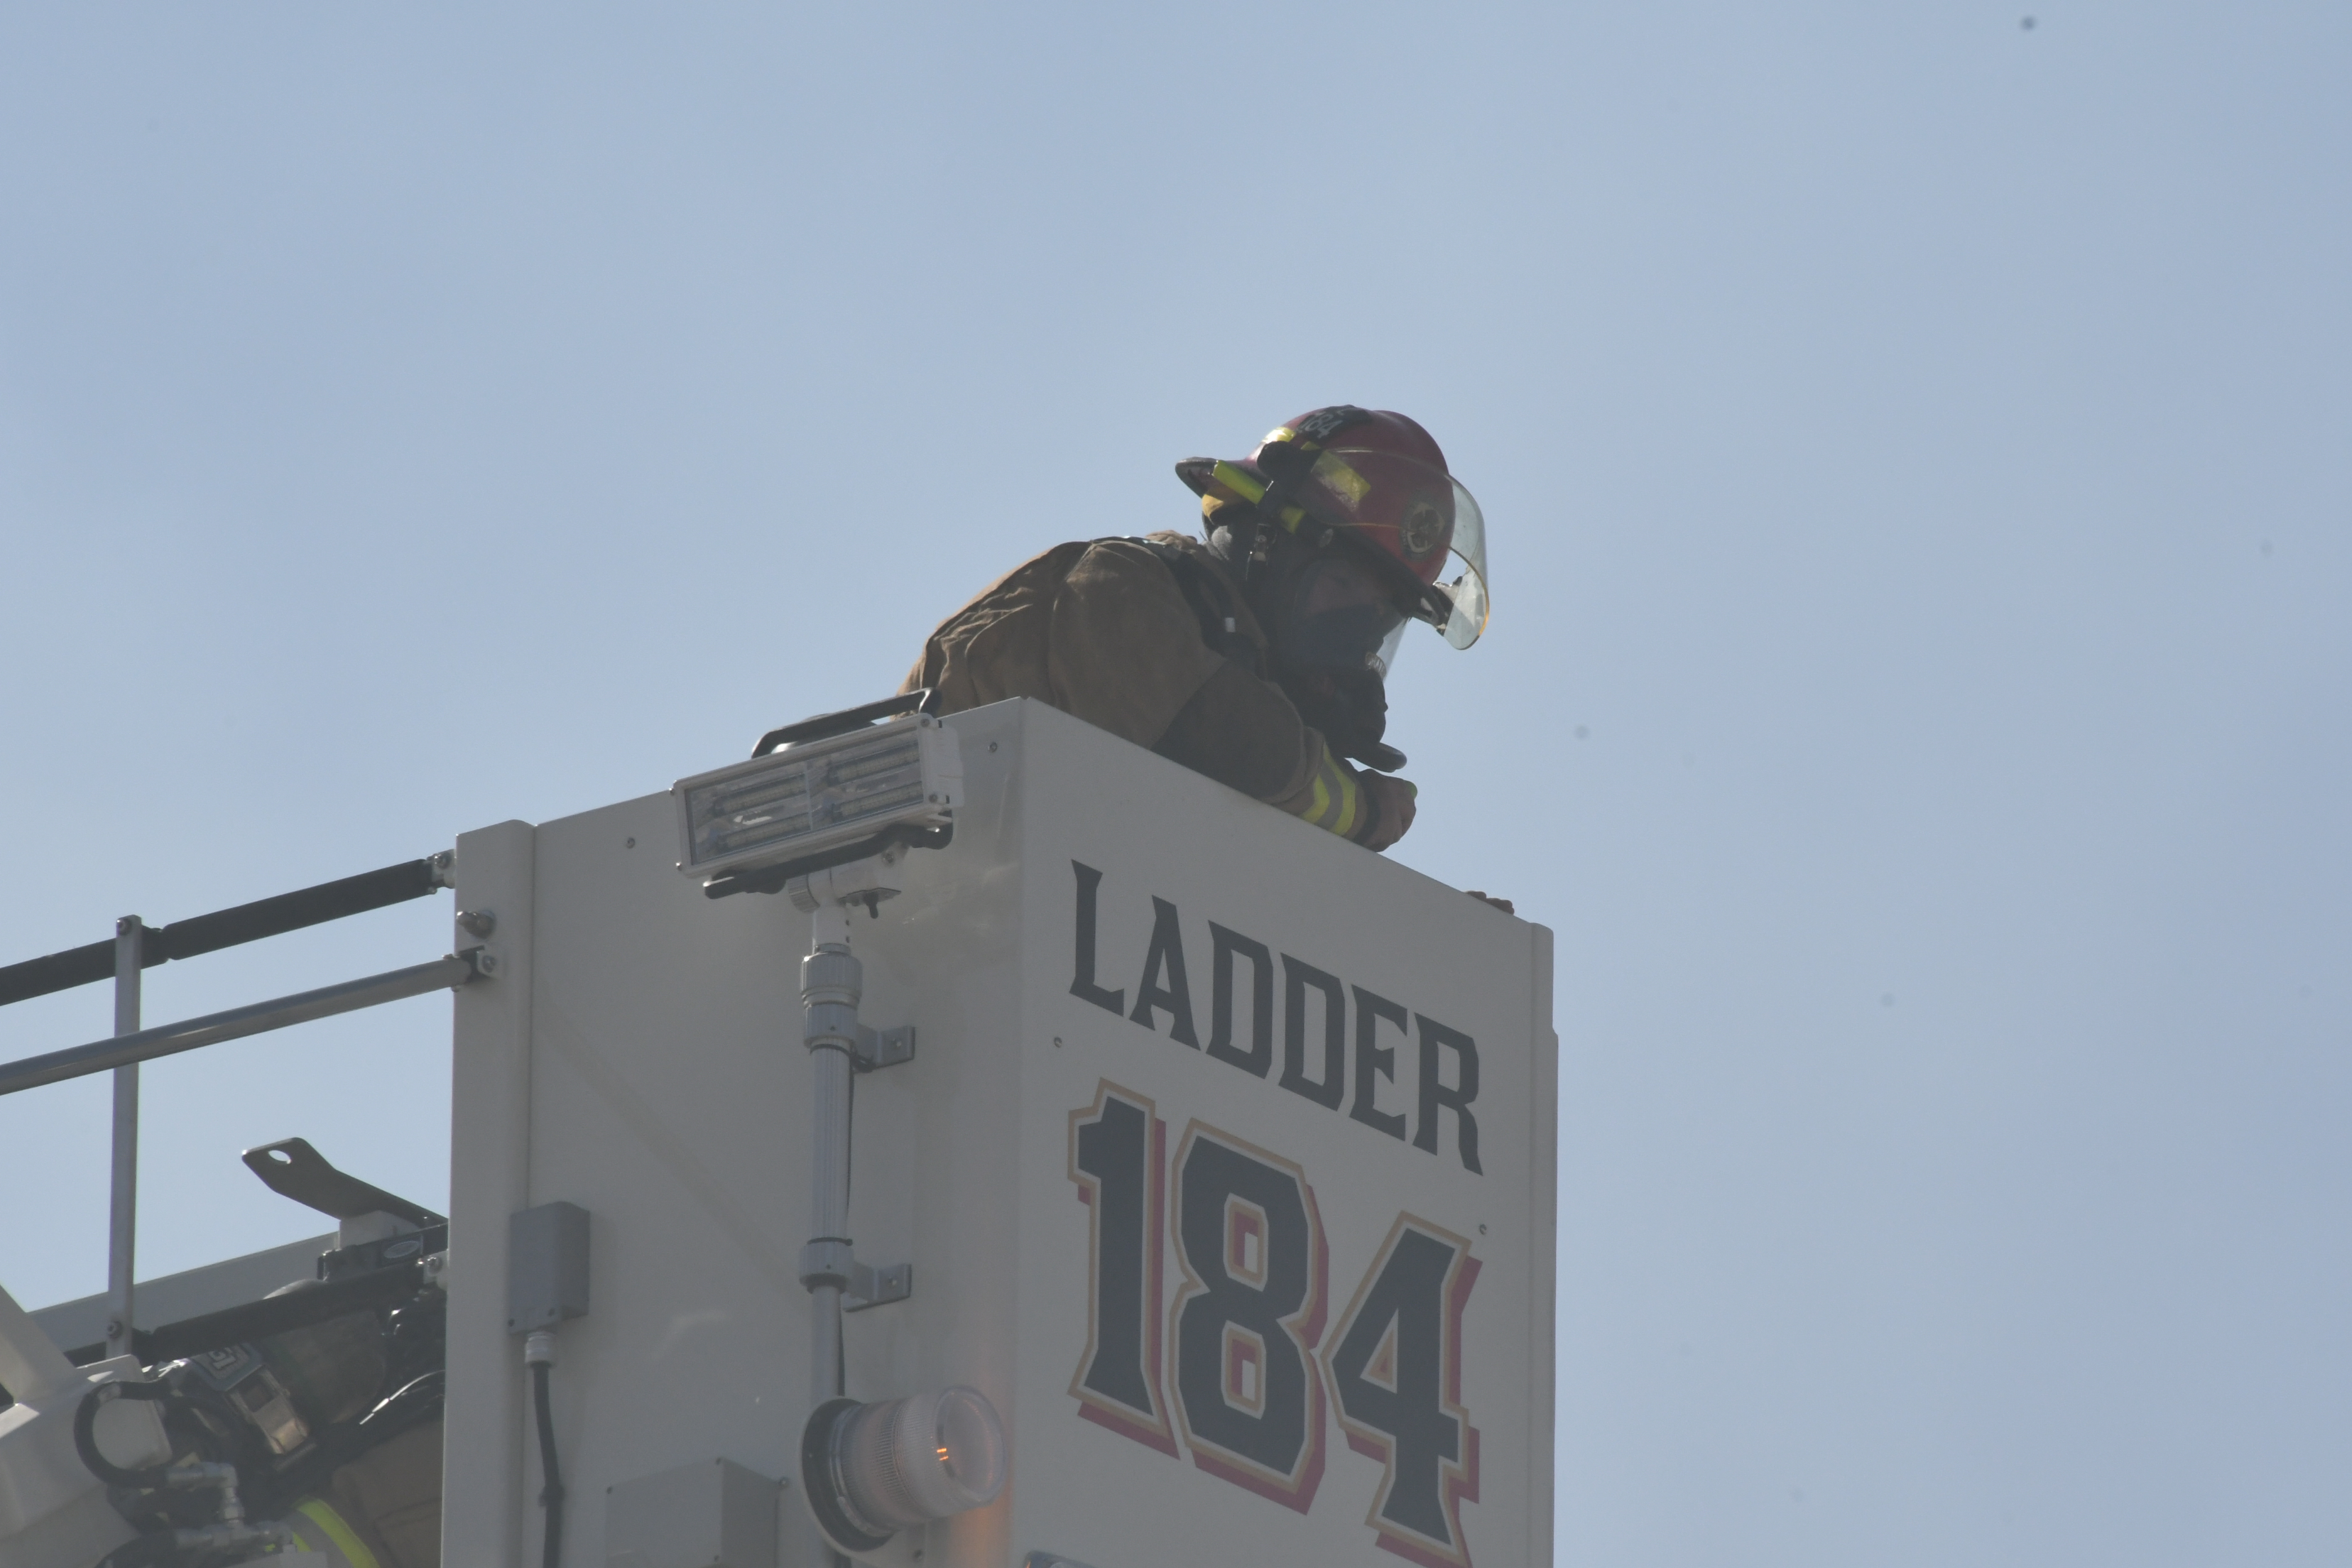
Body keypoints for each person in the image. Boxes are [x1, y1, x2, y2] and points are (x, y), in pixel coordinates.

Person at [902, 406, 1490, 853]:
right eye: (1340, 588)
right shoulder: (1119, 587)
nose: (1353, 637)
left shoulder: (1248, 701)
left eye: (1377, 621)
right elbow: (1222, 736)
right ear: (1264, 547)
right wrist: (1362, 811)